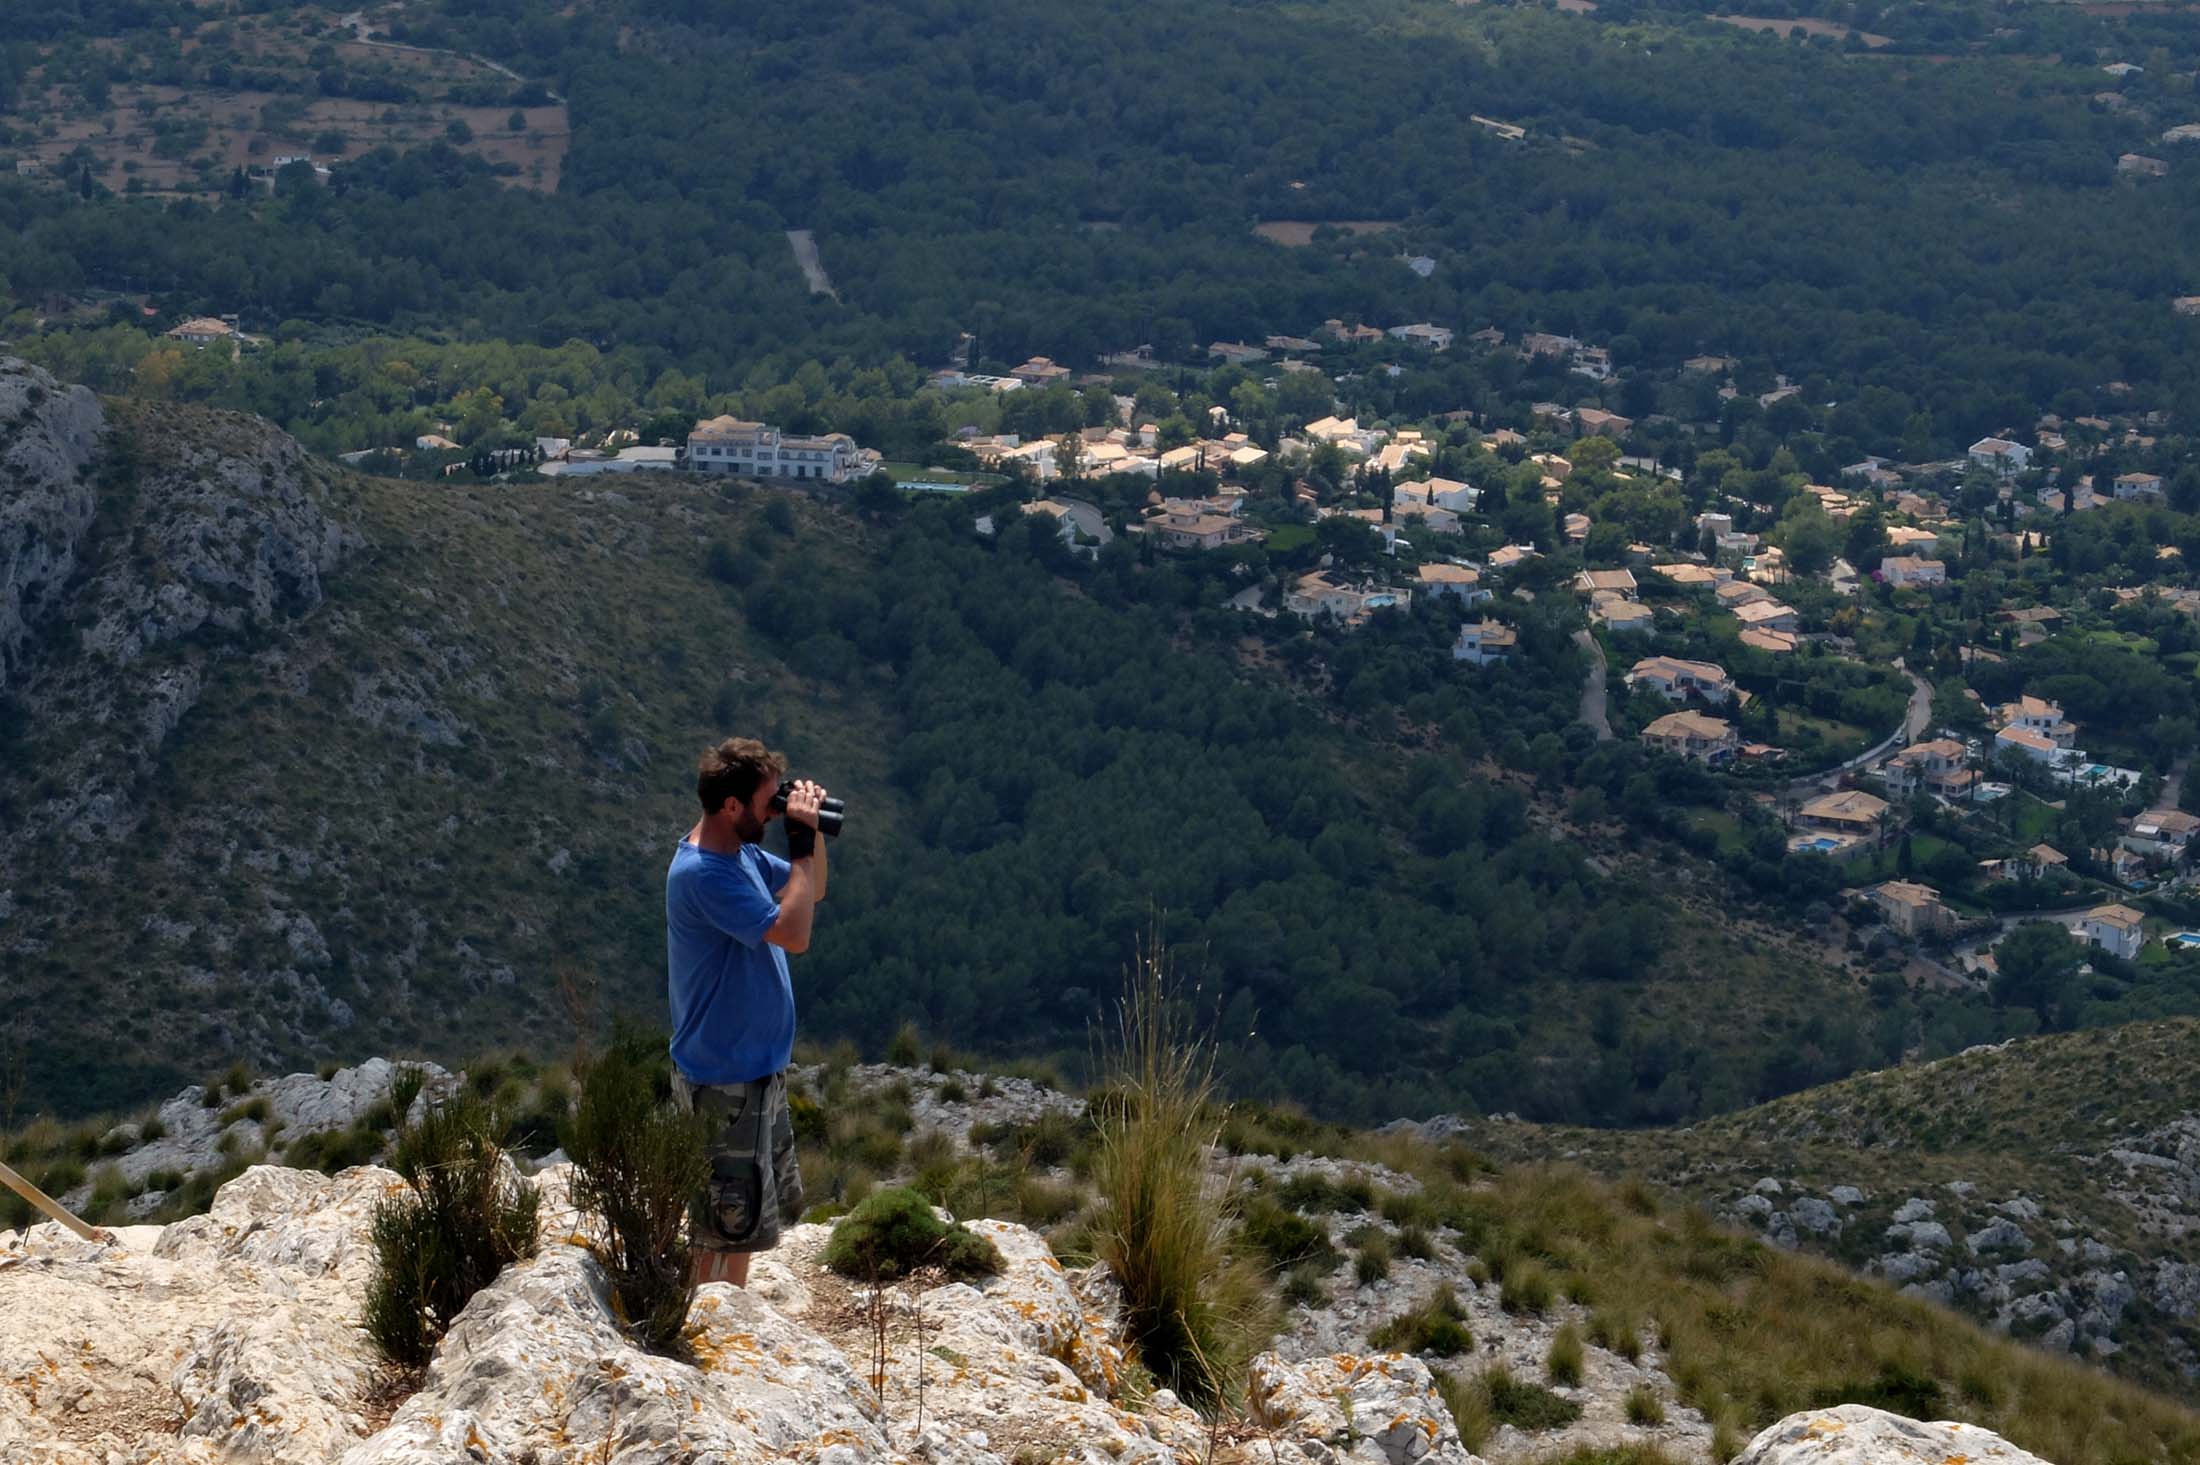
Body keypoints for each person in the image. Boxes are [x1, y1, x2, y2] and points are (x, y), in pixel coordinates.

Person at [665, 737, 829, 1288]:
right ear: (731, 806)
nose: (772, 811)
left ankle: (726, 1321)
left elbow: (814, 891)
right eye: (766, 802)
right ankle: (706, 1333)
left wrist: (812, 831)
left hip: (754, 1071)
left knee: (747, 1217)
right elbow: (794, 933)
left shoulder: (741, 855)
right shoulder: (705, 874)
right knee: (722, 1224)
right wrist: (800, 847)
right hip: (724, 1080)